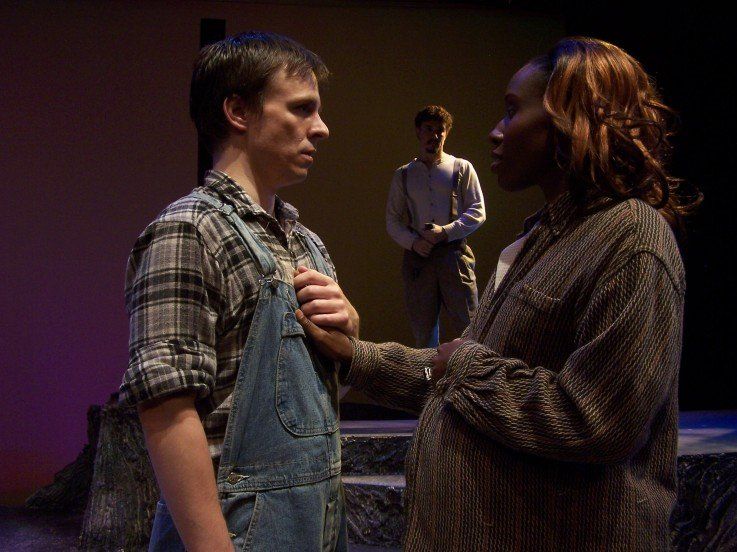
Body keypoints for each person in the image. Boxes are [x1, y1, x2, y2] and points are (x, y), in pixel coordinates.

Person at [297, 37, 699, 550]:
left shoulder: (631, 240)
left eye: (512, 111)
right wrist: (357, 358)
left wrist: (466, 366)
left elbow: (596, 419)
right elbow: (448, 377)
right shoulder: (543, 238)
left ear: (571, 120)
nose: (496, 131)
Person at [118, 32, 357, 552]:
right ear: (238, 112)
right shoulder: (188, 230)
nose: (321, 128)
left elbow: (308, 406)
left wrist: (348, 341)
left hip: (314, 524)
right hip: (236, 532)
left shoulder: (307, 244)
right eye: (302, 108)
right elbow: (167, 408)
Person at [386, 106, 485, 347]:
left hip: (454, 254)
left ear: (447, 133)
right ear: (418, 132)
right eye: (429, 129)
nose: (435, 135)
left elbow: (478, 211)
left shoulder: (461, 167)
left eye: (441, 130)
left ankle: (472, 369)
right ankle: (428, 372)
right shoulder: (404, 174)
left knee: (470, 325)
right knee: (423, 330)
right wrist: (414, 243)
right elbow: (393, 219)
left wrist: (446, 232)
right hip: (419, 258)